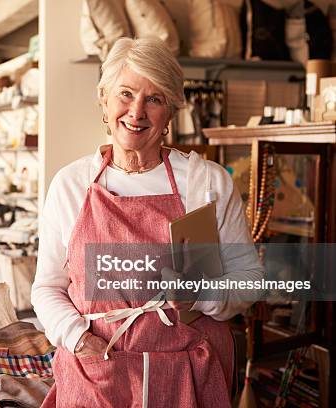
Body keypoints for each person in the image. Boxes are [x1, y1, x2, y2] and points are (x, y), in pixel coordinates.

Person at [31, 37, 264, 407]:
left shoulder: (207, 183)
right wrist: (77, 338)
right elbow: (47, 287)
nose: (136, 112)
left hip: (190, 373)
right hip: (98, 373)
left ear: (171, 113)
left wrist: (201, 296)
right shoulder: (71, 185)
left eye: (154, 99)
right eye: (125, 94)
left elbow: (250, 279)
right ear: (104, 100)